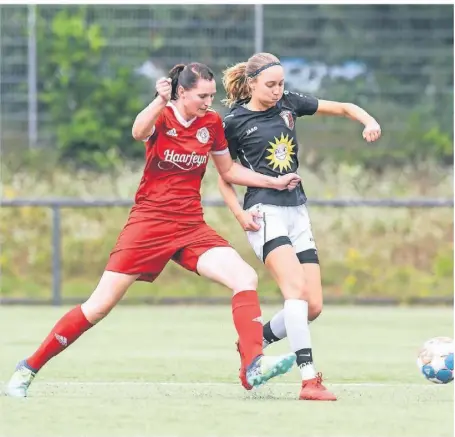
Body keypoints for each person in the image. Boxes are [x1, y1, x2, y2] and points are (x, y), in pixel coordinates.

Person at [6, 62, 304, 398]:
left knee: (244, 277)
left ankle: (253, 365)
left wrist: (272, 181)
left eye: (211, 95)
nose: (209, 101)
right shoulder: (162, 116)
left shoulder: (212, 123)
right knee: (98, 307)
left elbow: (229, 170)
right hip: (149, 224)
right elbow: (137, 131)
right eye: (202, 95)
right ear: (181, 92)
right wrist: (157, 101)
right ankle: (28, 368)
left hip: (190, 224)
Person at [219, 53, 382, 401]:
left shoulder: (290, 103)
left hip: (297, 211)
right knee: (295, 291)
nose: (278, 91)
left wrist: (368, 121)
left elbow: (345, 107)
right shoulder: (232, 121)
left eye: (281, 84)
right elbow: (224, 177)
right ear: (251, 84)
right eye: (270, 85)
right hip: (264, 212)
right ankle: (309, 380)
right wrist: (238, 214)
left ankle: (256, 342)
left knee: (312, 306)